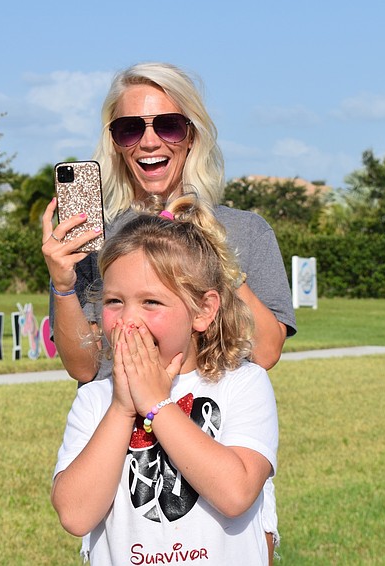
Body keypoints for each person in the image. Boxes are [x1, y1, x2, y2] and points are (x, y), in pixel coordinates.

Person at [41, 62, 296, 561]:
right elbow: (83, 366)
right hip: (121, 437)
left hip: (214, 434)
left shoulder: (244, 230)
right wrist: (63, 283)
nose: (149, 141)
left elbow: (265, 350)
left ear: (192, 134)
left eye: (168, 125)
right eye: (130, 128)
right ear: (115, 142)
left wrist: (209, 249)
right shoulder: (96, 238)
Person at [51, 195, 278, 565]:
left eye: (151, 303)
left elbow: (236, 494)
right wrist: (124, 409)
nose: (128, 320)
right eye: (114, 302)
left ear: (203, 310)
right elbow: (75, 515)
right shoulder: (96, 400)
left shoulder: (243, 384)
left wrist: (158, 406)